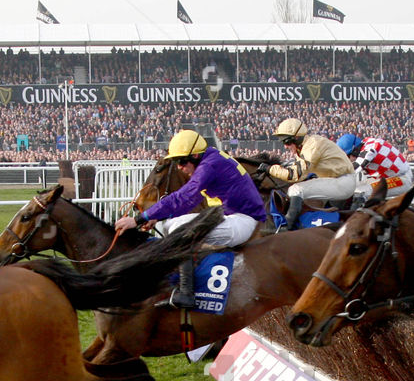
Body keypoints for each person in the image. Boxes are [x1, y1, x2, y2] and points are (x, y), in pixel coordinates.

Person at [113, 130, 264, 309]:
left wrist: (139, 219)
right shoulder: (210, 158)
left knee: (180, 229)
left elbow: (182, 197)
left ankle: (186, 293)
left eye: (182, 162)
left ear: (195, 155)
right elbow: (188, 202)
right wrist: (156, 216)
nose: (179, 167)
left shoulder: (209, 166)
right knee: (170, 223)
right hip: (232, 216)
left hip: (242, 221)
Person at [263, 118, 356, 231]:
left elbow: (295, 175)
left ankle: (286, 227)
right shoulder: (304, 148)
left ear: (297, 138)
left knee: (296, 190)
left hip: (343, 182)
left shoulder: (312, 144)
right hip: (338, 180)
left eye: (286, 142)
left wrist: (270, 169)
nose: (285, 146)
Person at [336, 133, 413, 207]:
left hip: (402, 179)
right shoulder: (364, 144)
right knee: (354, 188)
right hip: (384, 178)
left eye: (346, 156)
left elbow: (354, 168)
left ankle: (358, 219)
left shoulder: (370, 149)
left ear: (355, 151)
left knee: (361, 192)